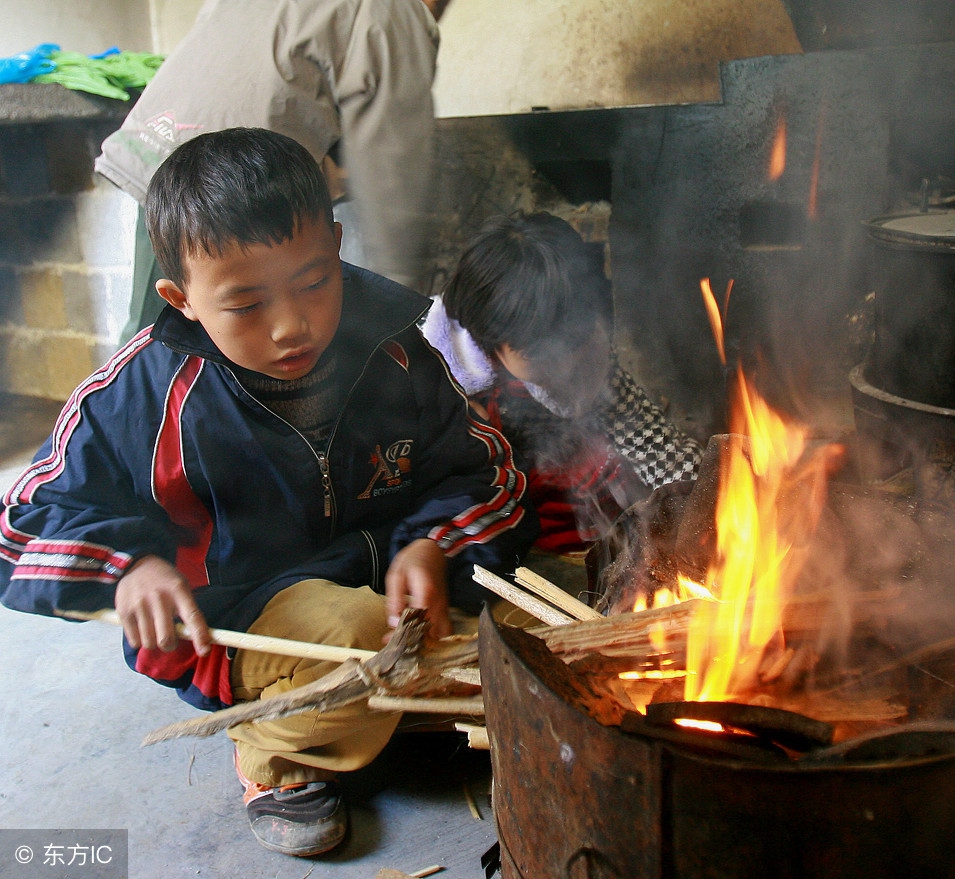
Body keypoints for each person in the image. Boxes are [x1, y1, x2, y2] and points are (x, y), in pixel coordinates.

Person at [0, 128, 536, 857]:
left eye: (314, 282)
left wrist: (431, 543)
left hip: (388, 595)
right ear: (180, 298)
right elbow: (24, 519)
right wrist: (129, 565)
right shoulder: (137, 393)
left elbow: (483, 467)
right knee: (359, 640)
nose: (292, 326)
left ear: (337, 243)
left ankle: (365, 712)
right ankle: (271, 751)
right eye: (246, 304)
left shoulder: (396, 354)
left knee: (534, 640)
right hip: (238, 617)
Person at [95, 0, 446, 343]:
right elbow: (394, 167)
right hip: (222, 182)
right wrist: (400, 304)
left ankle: (129, 396)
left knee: (152, 337)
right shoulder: (396, 11)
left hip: (157, 143)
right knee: (181, 347)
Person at [422, 211, 703, 555]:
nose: (568, 363)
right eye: (545, 353)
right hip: (487, 528)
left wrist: (709, 490)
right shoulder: (441, 376)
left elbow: (653, 444)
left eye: (574, 341)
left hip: (575, 514)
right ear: (490, 337)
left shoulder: (589, 355)